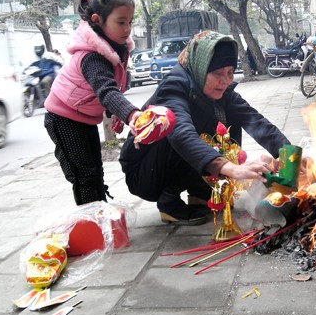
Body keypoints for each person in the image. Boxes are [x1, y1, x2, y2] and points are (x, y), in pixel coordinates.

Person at [119, 30, 291, 225]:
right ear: (201, 67)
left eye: (229, 73)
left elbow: (256, 121)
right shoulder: (174, 87)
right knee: (174, 126)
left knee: (229, 122)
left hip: (169, 163)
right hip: (146, 173)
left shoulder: (222, 91)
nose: (225, 80)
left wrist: (290, 155)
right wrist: (230, 168)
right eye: (218, 73)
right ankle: (168, 201)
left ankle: (201, 192)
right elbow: (182, 135)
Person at [44, 0, 142, 205]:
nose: (127, 29)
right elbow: (105, 89)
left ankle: (101, 220)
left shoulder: (114, 47)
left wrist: (115, 112)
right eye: (121, 22)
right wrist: (131, 114)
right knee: (84, 176)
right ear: (98, 20)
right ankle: (94, 227)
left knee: (95, 172)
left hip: (83, 116)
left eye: (130, 22)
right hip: (63, 118)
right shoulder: (93, 56)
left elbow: (107, 89)